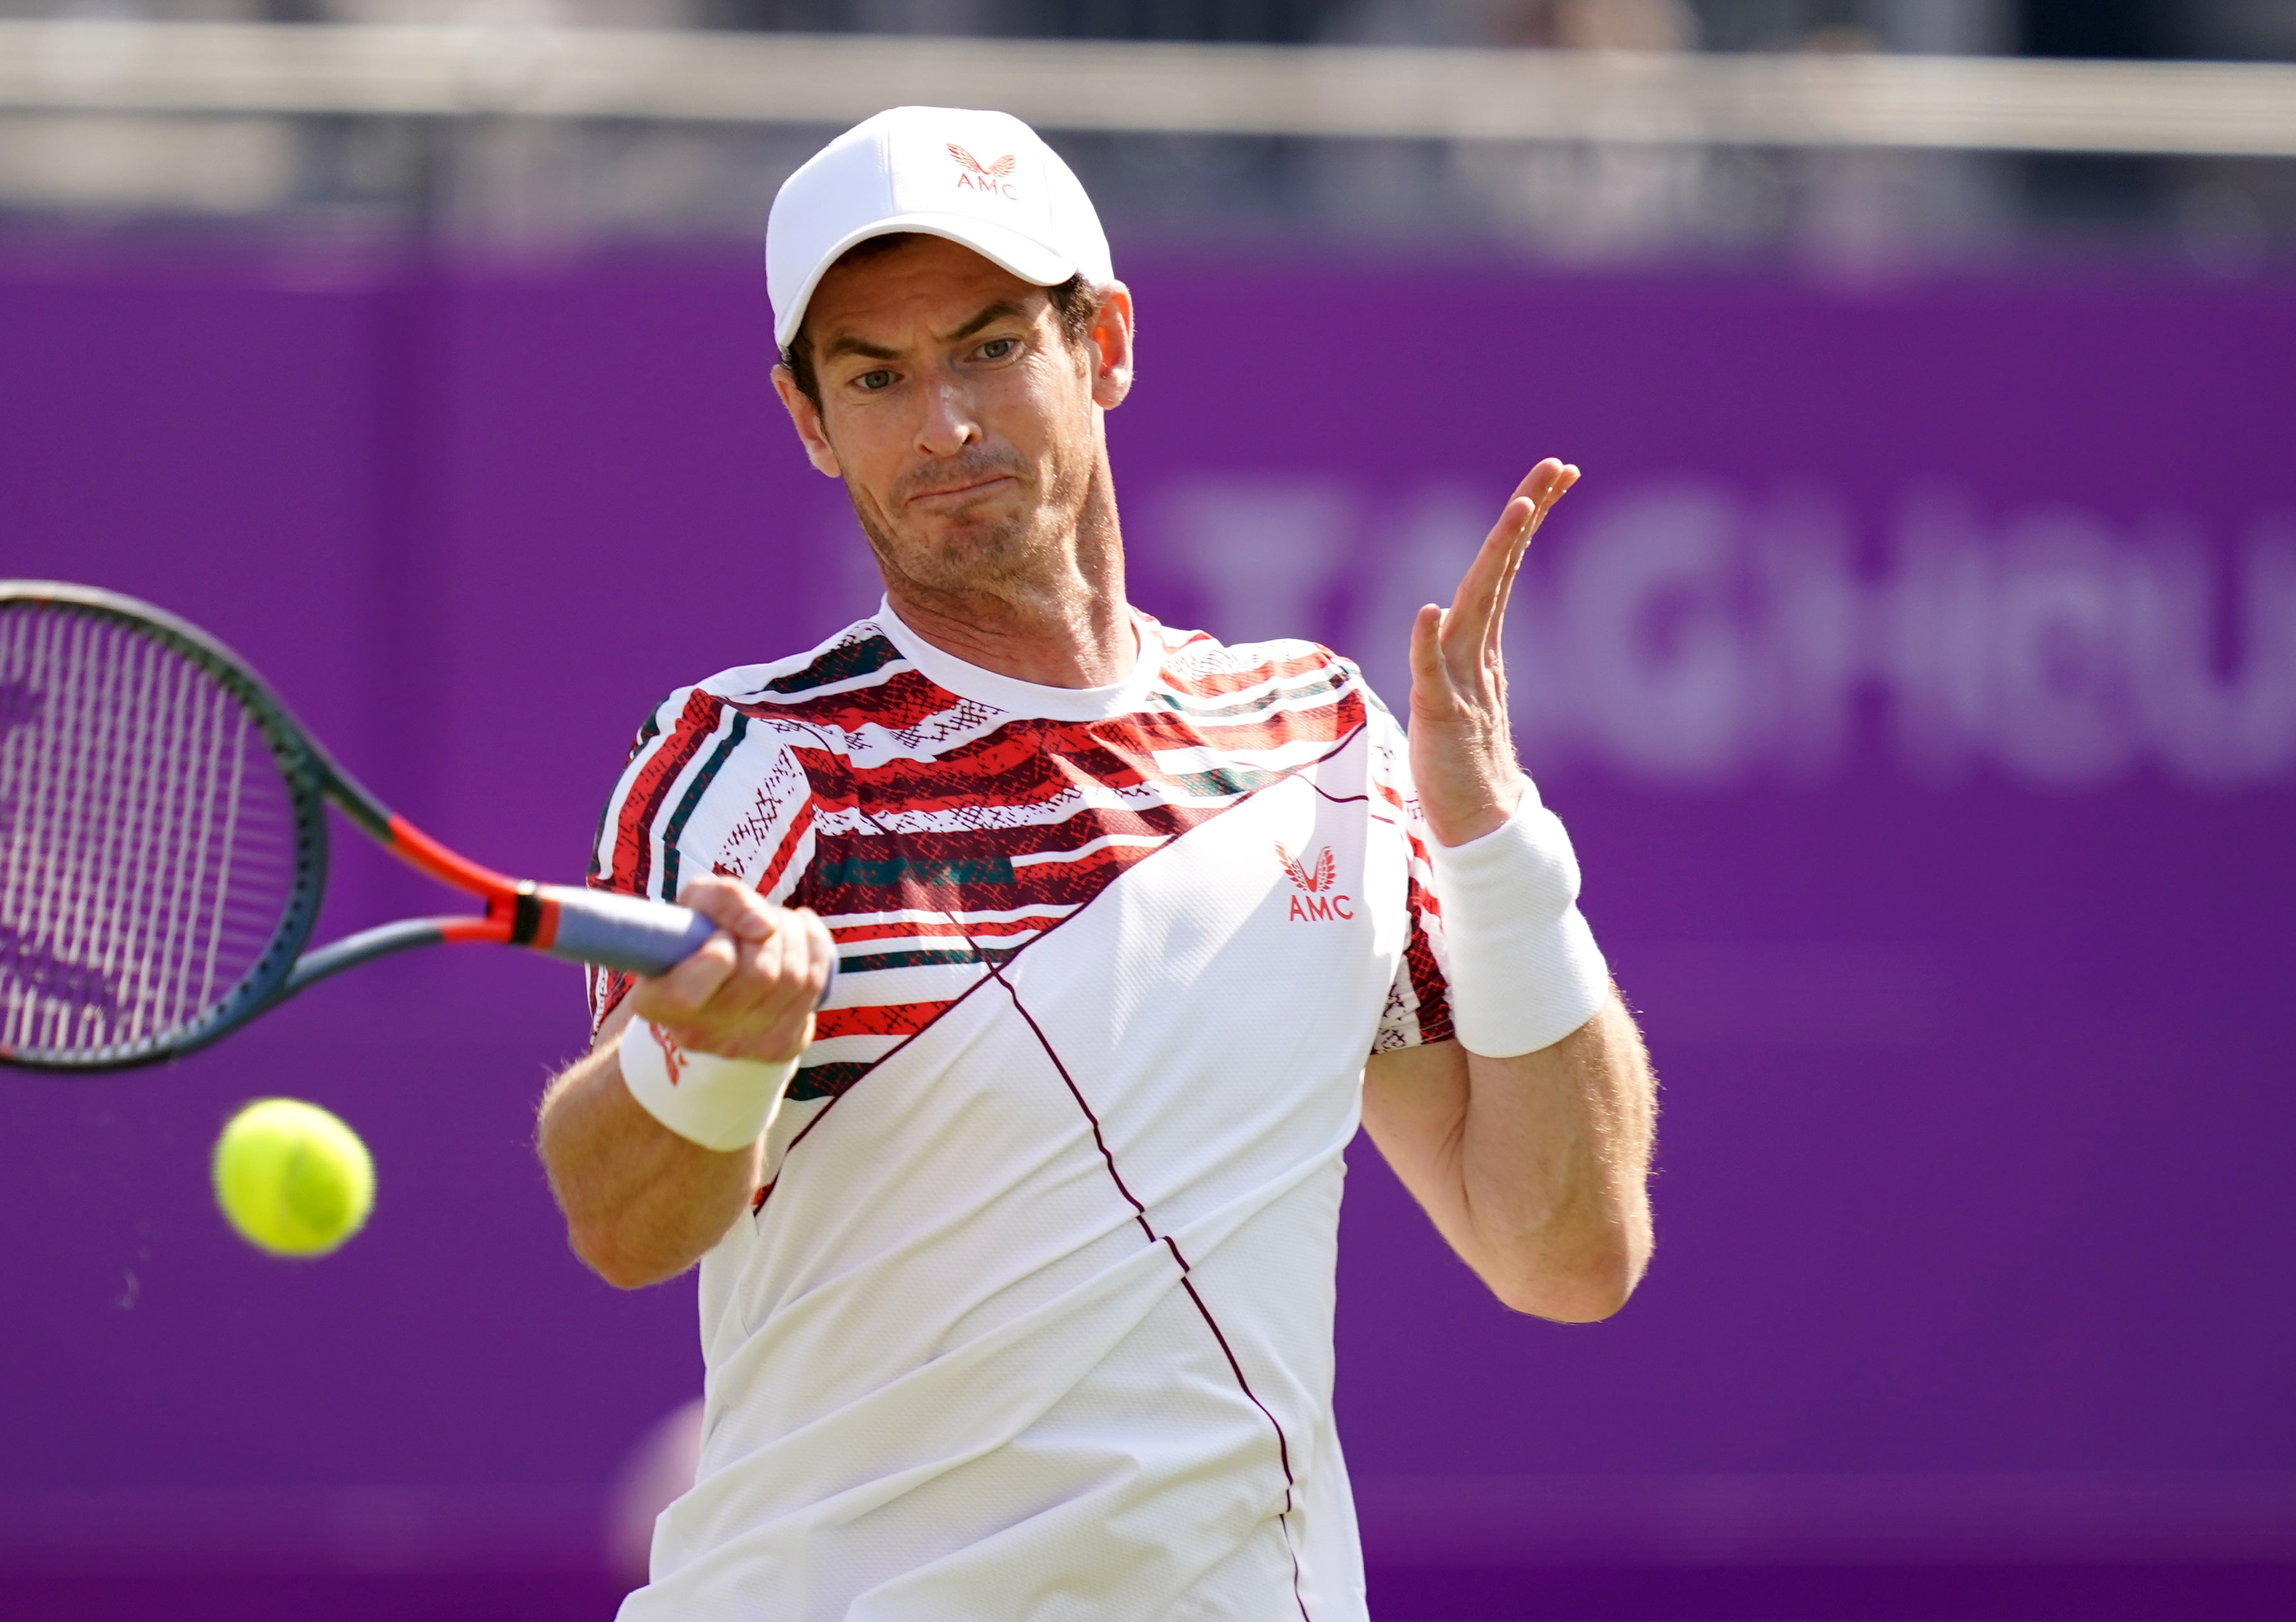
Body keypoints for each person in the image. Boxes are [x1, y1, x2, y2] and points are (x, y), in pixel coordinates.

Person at [535, 104, 1658, 1621]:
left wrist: (1502, 852)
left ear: (1106, 343)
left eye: (992, 346)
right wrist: (707, 1059)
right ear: (809, 420)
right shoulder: (749, 765)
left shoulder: (1319, 738)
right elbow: (624, 1225)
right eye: (876, 376)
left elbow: (1566, 1253)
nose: (942, 424)